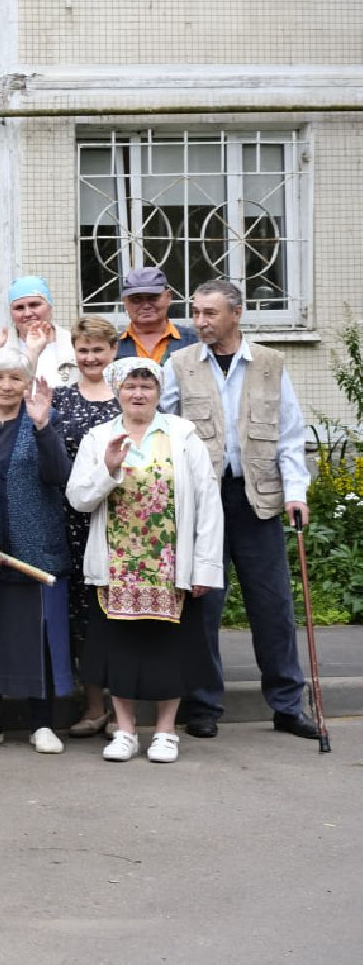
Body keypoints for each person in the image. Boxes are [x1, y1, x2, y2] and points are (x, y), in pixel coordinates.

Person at [161, 278, 320, 741]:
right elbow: (165, 427)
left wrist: (297, 492)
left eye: (209, 313)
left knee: (271, 605)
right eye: (196, 312)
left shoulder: (270, 363)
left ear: (237, 312)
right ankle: (204, 704)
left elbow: (289, 435)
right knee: (203, 604)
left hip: (259, 500)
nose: (200, 322)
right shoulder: (181, 363)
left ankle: (288, 704)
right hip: (203, 502)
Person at [69, 358, 223, 764]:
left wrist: (205, 566)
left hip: (169, 565)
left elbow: (208, 504)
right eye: (130, 387)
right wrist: (109, 469)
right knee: (121, 650)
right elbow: (79, 498)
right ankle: (124, 730)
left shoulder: (183, 434)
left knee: (168, 650)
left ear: (159, 391)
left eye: (147, 386)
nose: (138, 394)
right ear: (118, 391)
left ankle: (166, 732)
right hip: (118, 567)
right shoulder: (99, 436)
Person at [0, 351, 75, 755]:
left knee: (38, 637)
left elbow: (59, 475)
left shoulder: (44, 416)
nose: (6, 386)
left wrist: (44, 427)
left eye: (15, 378)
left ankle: (42, 723)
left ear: (26, 382)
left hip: (36, 545)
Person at [51, 316, 122, 738]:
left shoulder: (129, 395)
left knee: (119, 612)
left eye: (98, 350)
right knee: (83, 617)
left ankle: (121, 707)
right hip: (72, 520)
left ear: (113, 351)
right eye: (83, 350)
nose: (91, 358)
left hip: (122, 520)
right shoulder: (60, 398)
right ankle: (93, 705)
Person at [3, 276, 78, 386]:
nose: (27, 313)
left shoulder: (74, 344)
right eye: (19, 308)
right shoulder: (1, 348)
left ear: (50, 306)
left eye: (34, 305)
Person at [115, 266, 199, 364]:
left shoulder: (195, 342)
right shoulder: (111, 346)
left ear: (168, 297)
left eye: (153, 298)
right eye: (136, 299)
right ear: (125, 302)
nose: (146, 306)